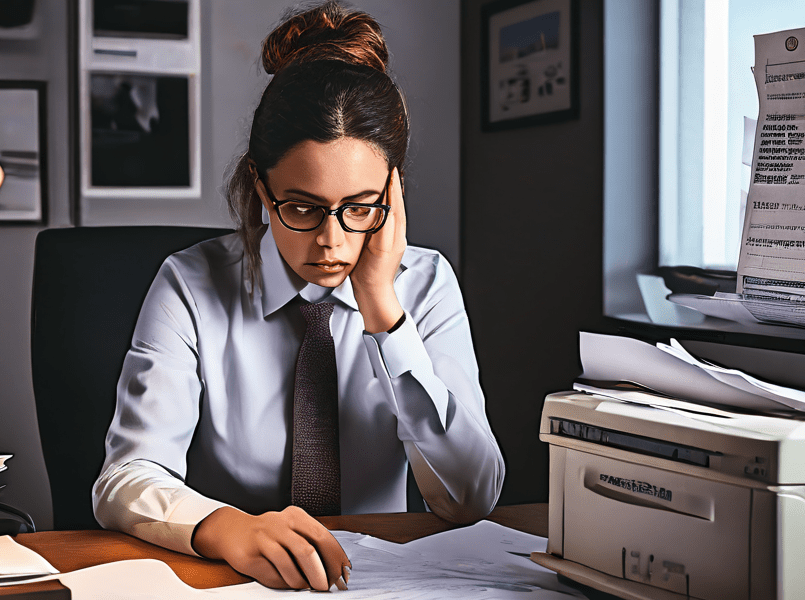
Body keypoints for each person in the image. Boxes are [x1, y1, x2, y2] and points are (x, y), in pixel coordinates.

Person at [92, 0, 505, 592]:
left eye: (362, 207)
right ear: (262, 189)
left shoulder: (426, 283)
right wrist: (226, 527)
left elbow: (471, 498)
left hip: (376, 580)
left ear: (395, 194)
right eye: (303, 208)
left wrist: (384, 313)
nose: (332, 241)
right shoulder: (189, 283)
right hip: (231, 579)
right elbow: (125, 477)